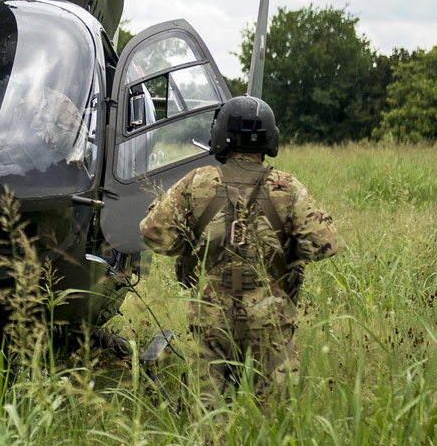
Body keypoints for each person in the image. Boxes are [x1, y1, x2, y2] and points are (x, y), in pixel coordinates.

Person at [139, 95, 338, 396]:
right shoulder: (286, 187)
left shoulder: (197, 182)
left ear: (220, 136)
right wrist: (285, 251)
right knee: (274, 424)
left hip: (210, 319)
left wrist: (190, 243)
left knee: (208, 422)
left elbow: (153, 233)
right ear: (270, 139)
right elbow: (325, 244)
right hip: (270, 319)